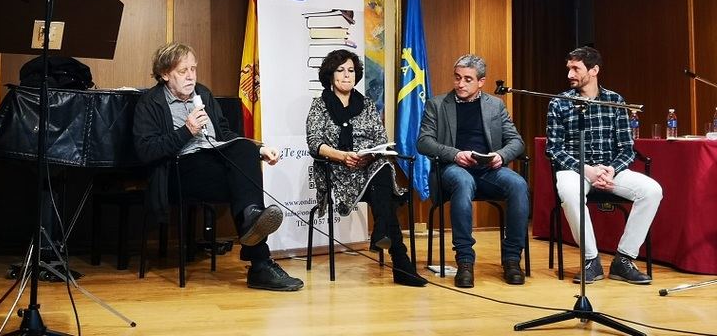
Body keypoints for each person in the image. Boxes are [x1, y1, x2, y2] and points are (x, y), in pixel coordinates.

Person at [133, 42, 303, 291]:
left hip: (214, 164)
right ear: (165, 74)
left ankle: (253, 226)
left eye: (193, 69)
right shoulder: (151, 102)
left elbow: (224, 133)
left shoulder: (204, 93)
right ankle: (259, 261)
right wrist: (186, 131)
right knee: (242, 183)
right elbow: (145, 151)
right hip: (179, 171)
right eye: (183, 71)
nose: (191, 75)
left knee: (245, 150)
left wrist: (259, 150)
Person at [305, 49, 427, 287]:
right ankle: (399, 260)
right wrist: (342, 156)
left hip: (368, 167)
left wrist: (368, 157)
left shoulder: (367, 104)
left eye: (351, 70)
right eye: (340, 71)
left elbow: (380, 138)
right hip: (336, 171)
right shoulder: (319, 105)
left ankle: (384, 236)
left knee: (381, 167)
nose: (346, 75)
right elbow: (314, 143)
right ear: (330, 76)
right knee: (385, 195)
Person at [546, 46, 663, 285]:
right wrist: (586, 169)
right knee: (569, 190)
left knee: (652, 190)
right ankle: (590, 259)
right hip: (574, 169)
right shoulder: (559, 103)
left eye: (576, 68)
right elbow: (554, 149)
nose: (569, 74)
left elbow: (626, 148)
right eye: (569, 68)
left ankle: (624, 259)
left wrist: (611, 170)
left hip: (610, 170)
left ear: (594, 70)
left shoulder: (615, 101)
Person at [417, 54, 528, 288]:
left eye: (468, 79)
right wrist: (455, 154)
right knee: (463, 181)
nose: (460, 84)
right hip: (452, 168)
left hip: (488, 170)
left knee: (518, 184)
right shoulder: (437, 105)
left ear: (481, 82)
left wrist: (501, 155)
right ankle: (465, 261)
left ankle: (511, 259)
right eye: (457, 78)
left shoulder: (495, 105)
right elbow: (423, 142)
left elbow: (516, 142)